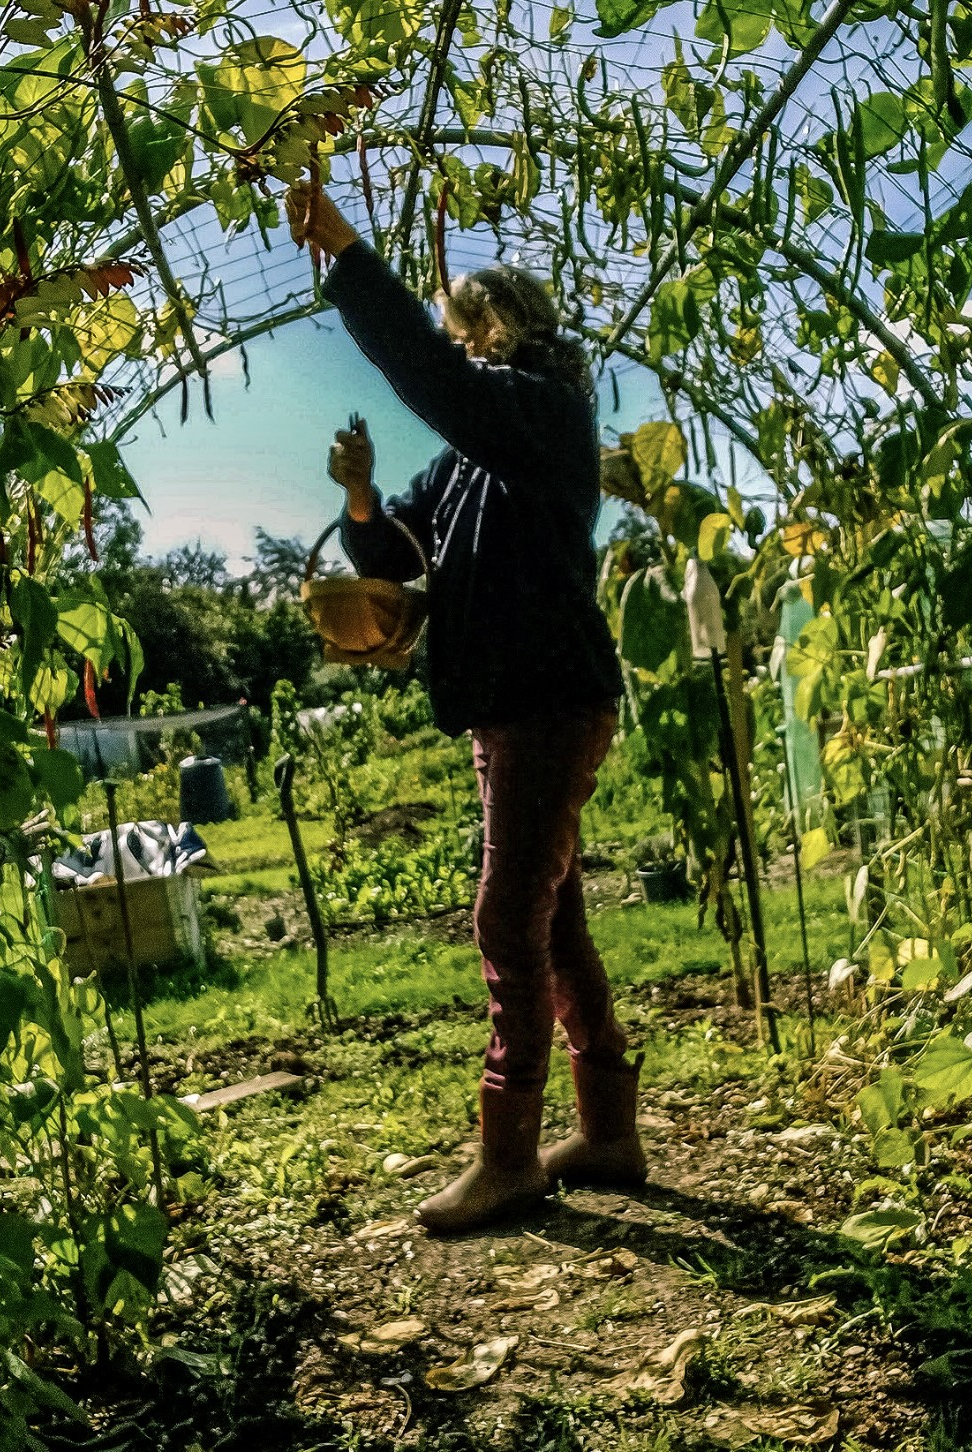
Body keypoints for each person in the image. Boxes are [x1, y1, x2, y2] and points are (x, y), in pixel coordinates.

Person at [289, 184, 647, 1235]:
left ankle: (508, 1157)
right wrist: (360, 497)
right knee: (552, 919)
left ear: (504, 327)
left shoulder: (544, 413)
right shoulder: (469, 461)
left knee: (505, 917)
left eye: (462, 324)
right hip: (511, 707)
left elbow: (441, 383)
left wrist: (350, 255)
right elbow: (395, 551)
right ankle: (608, 1132)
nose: (454, 341)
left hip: (548, 700)